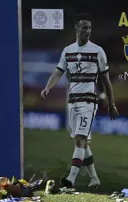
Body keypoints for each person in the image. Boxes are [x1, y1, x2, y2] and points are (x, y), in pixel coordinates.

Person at [40, 12, 119, 189]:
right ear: (76, 29)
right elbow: (58, 72)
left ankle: (71, 179)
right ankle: (94, 178)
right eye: (84, 27)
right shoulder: (68, 51)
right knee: (81, 141)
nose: (88, 31)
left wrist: (111, 103)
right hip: (72, 101)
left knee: (80, 139)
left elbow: (106, 80)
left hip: (88, 101)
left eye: (90, 28)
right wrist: (48, 87)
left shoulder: (97, 51)